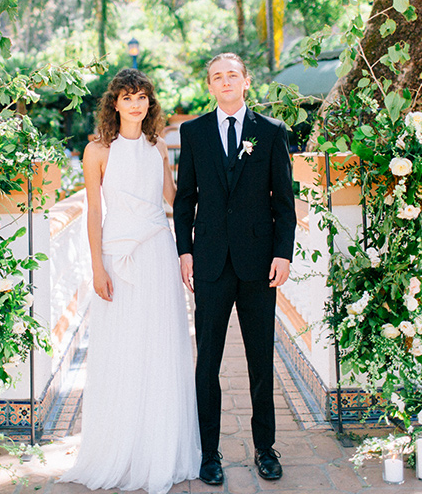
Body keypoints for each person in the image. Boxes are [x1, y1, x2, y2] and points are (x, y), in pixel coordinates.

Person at [60, 68, 201, 494]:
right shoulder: (97, 151)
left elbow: (174, 199)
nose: (135, 104)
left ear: (149, 103)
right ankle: (120, 447)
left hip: (158, 253)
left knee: (161, 344)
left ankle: (160, 447)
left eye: (141, 96)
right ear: (115, 103)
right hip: (117, 260)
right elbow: (95, 213)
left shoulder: (159, 148)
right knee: (122, 347)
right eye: (127, 97)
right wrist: (97, 268)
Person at [172, 53, 297, 485]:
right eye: (216, 77)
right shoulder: (193, 132)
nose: (225, 82)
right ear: (210, 86)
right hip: (208, 261)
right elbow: (185, 197)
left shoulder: (272, 131)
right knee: (207, 361)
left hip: (260, 263)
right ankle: (209, 453)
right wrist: (184, 251)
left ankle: (265, 448)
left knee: (261, 359)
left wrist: (283, 254)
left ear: (246, 81)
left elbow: (283, 200)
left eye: (232, 75)